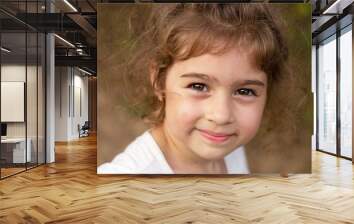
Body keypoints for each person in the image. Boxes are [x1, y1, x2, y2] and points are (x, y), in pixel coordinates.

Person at [97, 3, 288, 174]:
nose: (221, 116)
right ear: (159, 80)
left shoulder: (231, 148)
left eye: (245, 91)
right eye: (198, 86)